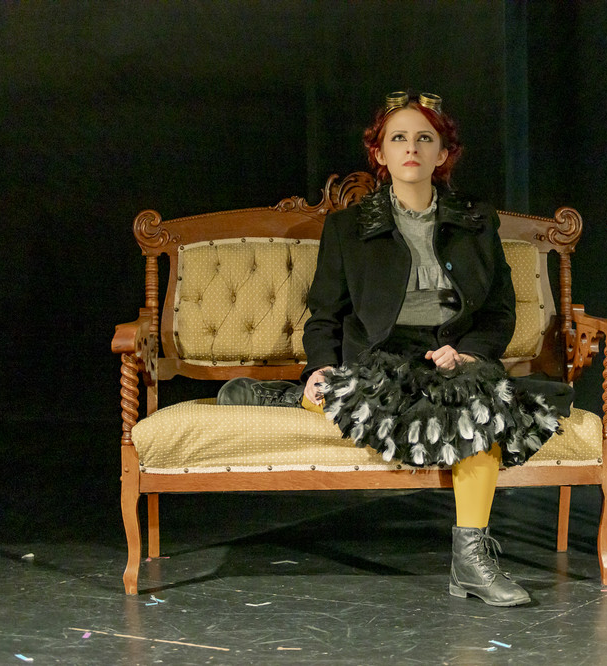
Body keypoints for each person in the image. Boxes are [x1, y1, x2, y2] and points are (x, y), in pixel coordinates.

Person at [218, 91, 572, 607]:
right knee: (356, 395)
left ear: (443, 153)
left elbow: (499, 310)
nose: (412, 148)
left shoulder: (476, 220)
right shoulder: (347, 227)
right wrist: (320, 367)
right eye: (399, 138)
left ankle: (471, 563)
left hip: (452, 355)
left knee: (480, 409)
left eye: (425, 138)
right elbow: (325, 314)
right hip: (380, 356)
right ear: (379, 153)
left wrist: (469, 353)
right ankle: (297, 396)